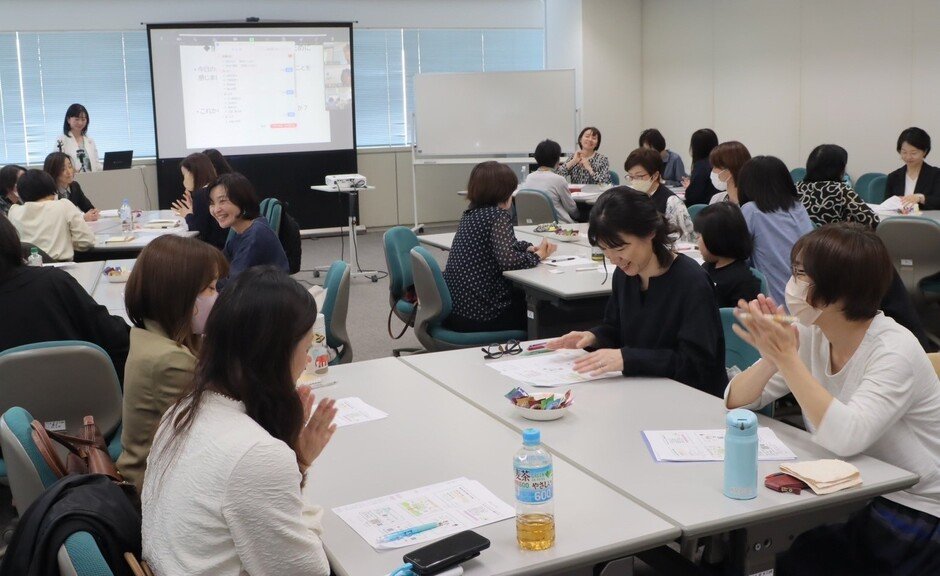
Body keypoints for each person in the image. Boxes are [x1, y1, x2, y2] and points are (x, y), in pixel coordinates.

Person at [726, 224, 940, 576]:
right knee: (782, 549)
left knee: (798, 554)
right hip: (854, 489)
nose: (790, 284)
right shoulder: (812, 331)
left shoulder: (893, 350)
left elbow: (846, 437)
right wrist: (772, 357)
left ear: (838, 292)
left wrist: (787, 358)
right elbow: (736, 400)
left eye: (800, 275)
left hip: (916, 505)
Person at [142, 267, 336, 576]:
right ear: (277, 356)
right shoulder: (256, 455)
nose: (306, 362)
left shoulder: (181, 411)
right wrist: (296, 463)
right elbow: (309, 572)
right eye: (306, 347)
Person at [546, 188, 727, 397]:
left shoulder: (691, 282)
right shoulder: (625, 274)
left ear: (650, 232)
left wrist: (627, 358)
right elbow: (616, 329)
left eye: (620, 249)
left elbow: (695, 364)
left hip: (690, 399)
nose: (614, 259)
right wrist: (593, 337)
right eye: (605, 250)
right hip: (640, 391)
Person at [118, 235, 228, 492]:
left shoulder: (152, 333)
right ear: (180, 295)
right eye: (210, 288)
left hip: (161, 469)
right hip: (155, 489)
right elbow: (221, 428)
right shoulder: (170, 361)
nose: (217, 296)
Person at [0, 214, 129, 379]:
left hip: (11, 395)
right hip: (83, 390)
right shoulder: (52, 283)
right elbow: (114, 336)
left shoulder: (51, 282)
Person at [443, 161, 556, 332]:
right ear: (504, 192)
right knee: (547, 311)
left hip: (458, 311)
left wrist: (527, 248)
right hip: (483, 315)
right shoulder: (498, 215)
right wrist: (539, 255)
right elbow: (509, 262)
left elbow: (499, 245)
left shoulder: (470, 213)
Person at [737, 156, 814, 305]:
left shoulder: (752, 211)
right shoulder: (798, 207)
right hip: (806, 299)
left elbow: (737, 255)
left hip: (774, 303)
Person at [209, 173, 288, 289]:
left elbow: (232, 286)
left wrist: (204, 284)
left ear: (242, 200)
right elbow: (219, 263)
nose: (216, 210)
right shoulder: (244, 231)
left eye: (222, 201)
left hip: (268, 297)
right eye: (212, 203)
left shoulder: (255, 236)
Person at [7, 169, 94, 261]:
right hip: (60, 265)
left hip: (28, 267)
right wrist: (67, 244)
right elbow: (86, 241)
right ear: (51, 186)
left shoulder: (14, 211)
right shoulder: (63, 205)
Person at [694, 202, 761, 308]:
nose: (696, 240)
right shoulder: (707, 268)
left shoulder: (744, 282)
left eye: (699, 236)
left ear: (716, 239)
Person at [796, 144, 877, 228]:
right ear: (838, 168)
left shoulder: (796, 187)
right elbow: (872, 221)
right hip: (827, 236)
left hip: (802, 236)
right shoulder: (841, 190)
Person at [624, 147, 694, 242]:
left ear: (655, 175)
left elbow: (682, 239)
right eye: (631, 177)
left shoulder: (671, 202)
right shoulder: (630, 197)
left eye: (639, 176)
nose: (634, 181)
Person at [170, 153, 226, 250]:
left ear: (193, 173)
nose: (184, 180)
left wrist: (188, 215)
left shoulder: (202, 194)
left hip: (211, 249)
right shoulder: (218, 187)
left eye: (184, 175)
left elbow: (197, 230)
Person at [523, 139, 579, 223]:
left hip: (536, 225)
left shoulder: (529, 178)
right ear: (557, 160)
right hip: (560, 226)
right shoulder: (559, 180)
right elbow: (572, 210)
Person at [886, 127, 940, 210]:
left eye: (913, 153)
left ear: (925, 151)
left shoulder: (936, 175)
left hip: (926, 218)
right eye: (904, 152)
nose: (908, 157)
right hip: (899, 218)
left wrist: (921, 198)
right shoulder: (893, 177)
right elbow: (886, 205)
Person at [43, 152, 99, 221]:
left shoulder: (74, 186)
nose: (69, 172)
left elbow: (89, 208)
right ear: (53, 172)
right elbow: (55, 220)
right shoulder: (49, 192)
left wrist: (94, 213)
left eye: (70, 167)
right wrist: (82, 218)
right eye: (63, 169)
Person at [56, 103, 101, 173]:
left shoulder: (90, 140)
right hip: (72, 178)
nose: (80, 123)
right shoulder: (61, 140)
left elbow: (96, 164)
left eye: (83, 119)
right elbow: (57, 164)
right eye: (77, 119)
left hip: (92, 177)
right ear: (68, 120)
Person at [682, 129, 720, 206]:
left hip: (702, 208)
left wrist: (689, 187)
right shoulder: (719, 163)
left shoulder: (701, 166)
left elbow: (692, 196)